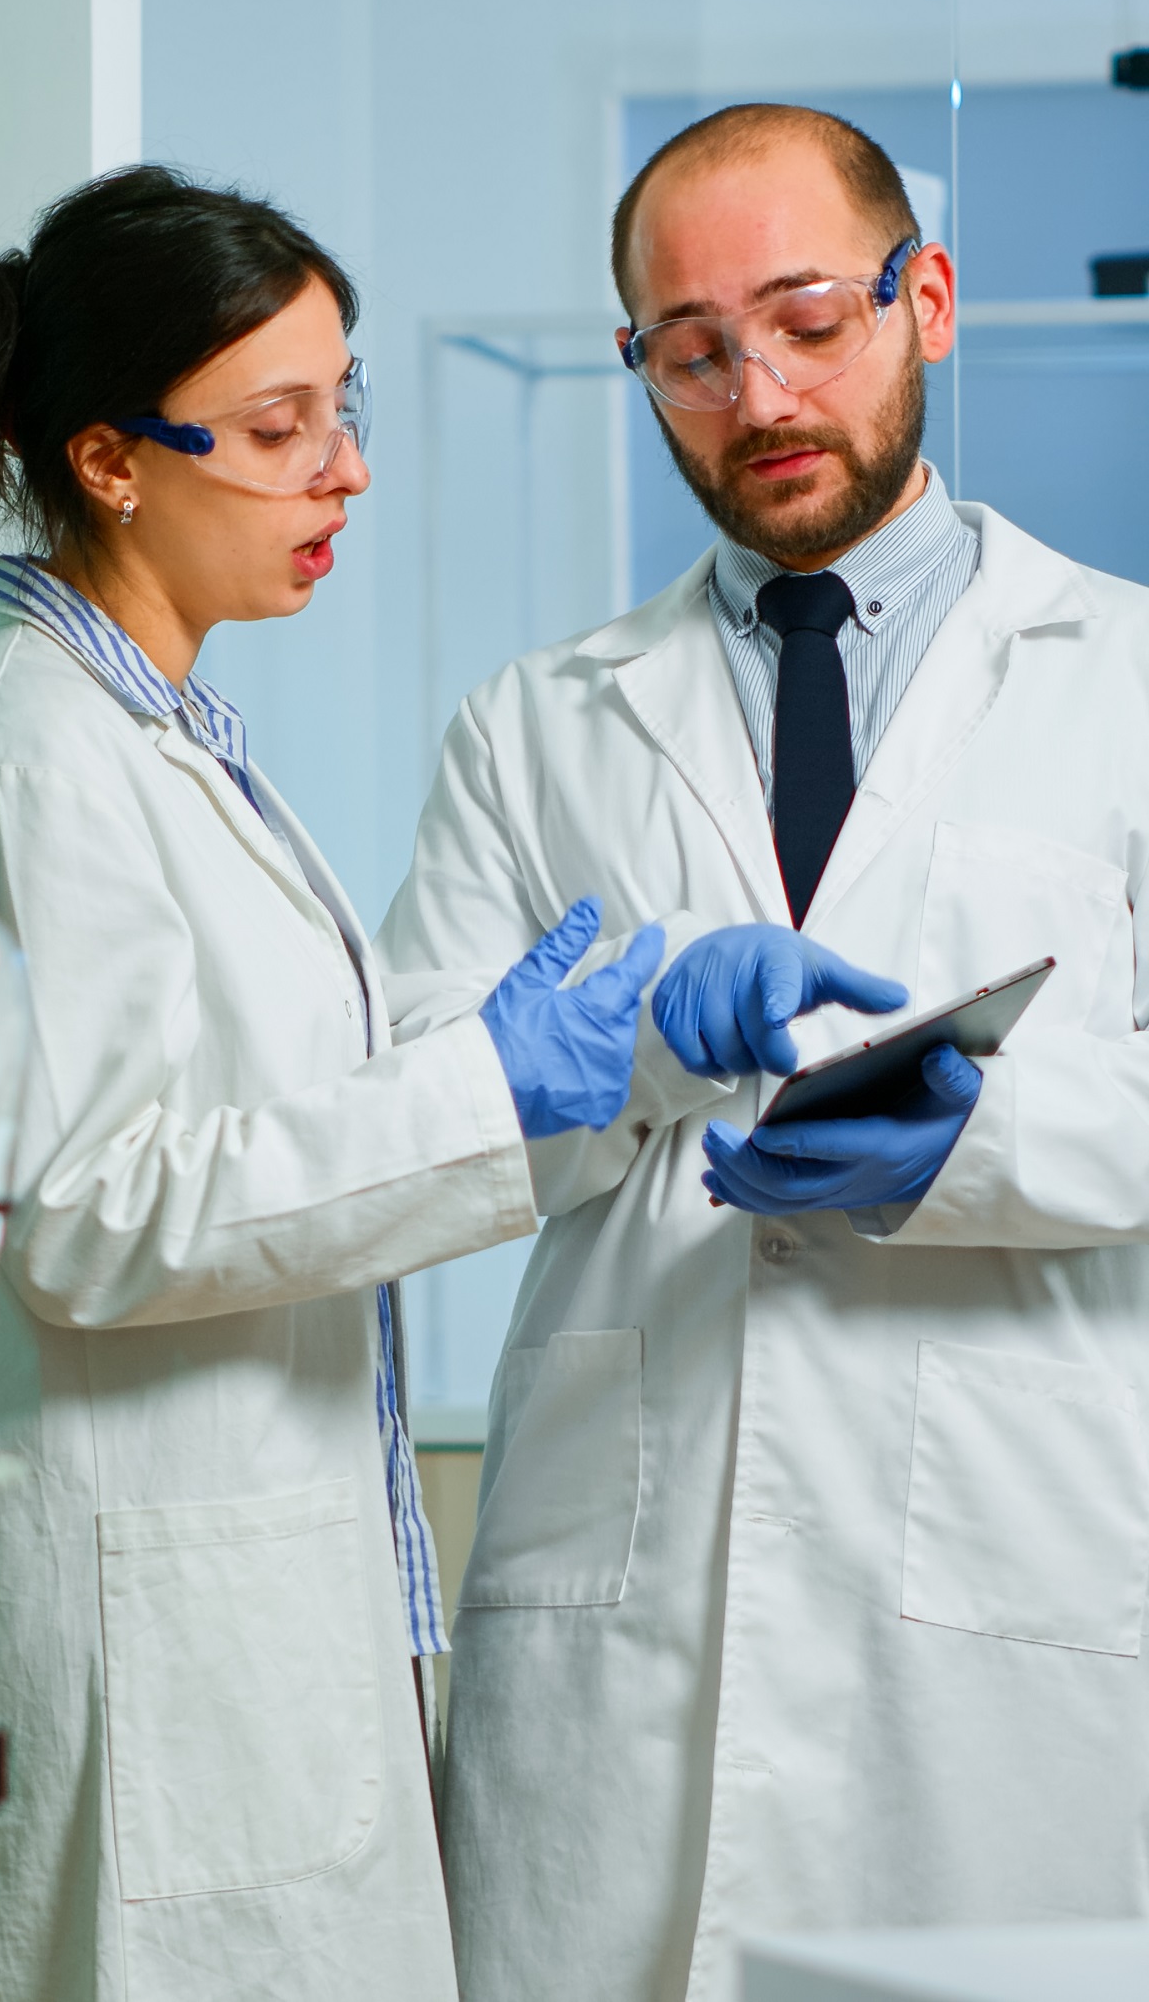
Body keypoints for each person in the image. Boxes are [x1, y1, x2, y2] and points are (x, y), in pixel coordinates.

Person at [377, 102, 1149, 2002]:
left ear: (929, 301)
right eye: (692, 349)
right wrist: (610, 1055)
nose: (760, 390)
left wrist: (971, 1142)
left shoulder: (1122, 680)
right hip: (623, 1615)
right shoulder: (535, 726)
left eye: (810, 319)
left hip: (1005, 1595)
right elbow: (399, 1116)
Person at [0, 164, 664, 2002]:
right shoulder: (38, 751)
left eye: (345, 411)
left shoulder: (158, 728)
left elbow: (241, 1126)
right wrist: (479, 1094)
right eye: (279, 427)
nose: (343, 469)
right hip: (156, 1652)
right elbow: (94, 1213)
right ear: (111, 461)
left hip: (251, 1627)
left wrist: (470, 1059)